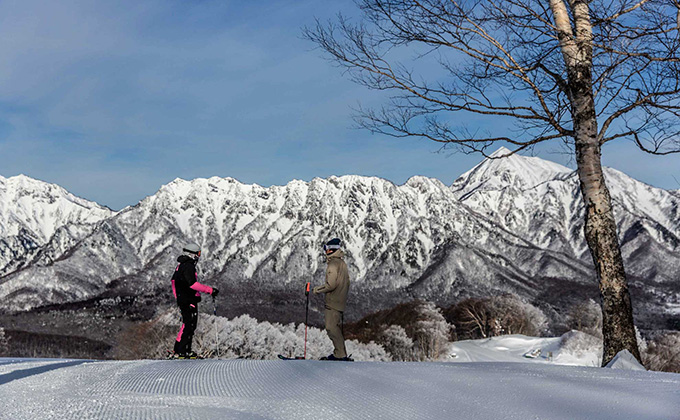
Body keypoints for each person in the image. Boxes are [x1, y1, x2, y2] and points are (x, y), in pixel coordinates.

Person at [170, 242, 219, 359]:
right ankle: (183, 351)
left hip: (184, 299)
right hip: (188, 300)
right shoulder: (188, 266)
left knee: (187, 324)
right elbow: (192, 284)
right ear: (193, 254)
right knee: (190, 325)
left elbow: (173, 282)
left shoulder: (181, 265)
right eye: (198, 254)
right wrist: (210, 290)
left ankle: (180, 350)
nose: (199, 256)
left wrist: (179, 297)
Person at [313, 238, 351, 361]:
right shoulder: (342, 263)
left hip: (333, 301)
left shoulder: (333, 264)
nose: (325, 251)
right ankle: (340, 354)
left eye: (326, 248)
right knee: (334, 327)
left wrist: (316, 290)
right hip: (340, 300)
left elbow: (330, 285)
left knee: (331, 327)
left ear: (331, 249)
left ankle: (340, 355)